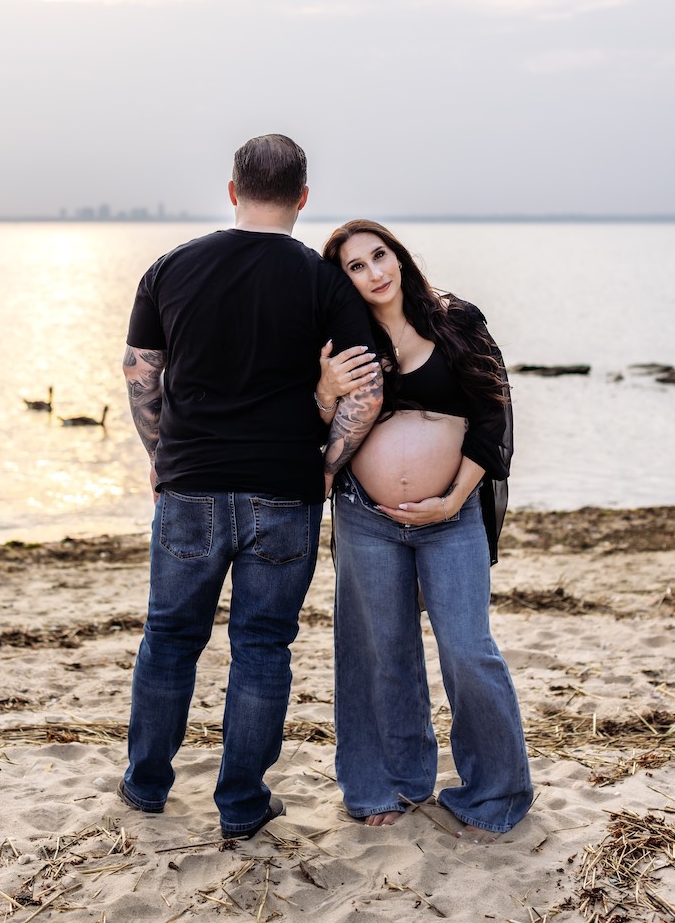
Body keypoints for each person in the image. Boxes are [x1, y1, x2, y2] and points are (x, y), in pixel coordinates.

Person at [119, 137, 383, 840]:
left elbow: (140, 374)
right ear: (302, 196)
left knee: (170, 639)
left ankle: (146, 787)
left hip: (190, 487)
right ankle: (241, 804)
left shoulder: (170, 268)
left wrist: (161, 454)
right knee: (262, 647)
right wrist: (329, 459)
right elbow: (366, 387)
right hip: (284, 490)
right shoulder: (324, 282)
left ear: (232, 190)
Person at [320, 220, 533, 841]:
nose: (373, 273)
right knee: (379, 651)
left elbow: (494, 412)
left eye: (378, 256)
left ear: (399, 255)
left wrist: (452, 499)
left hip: (453, 516)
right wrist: (325, 387)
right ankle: (390, 782)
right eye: (355, 268)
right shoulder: (342, 342)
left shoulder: (457, 318)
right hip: (366, 516)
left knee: (469, 649)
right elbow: (318, 422)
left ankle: (495, 789)